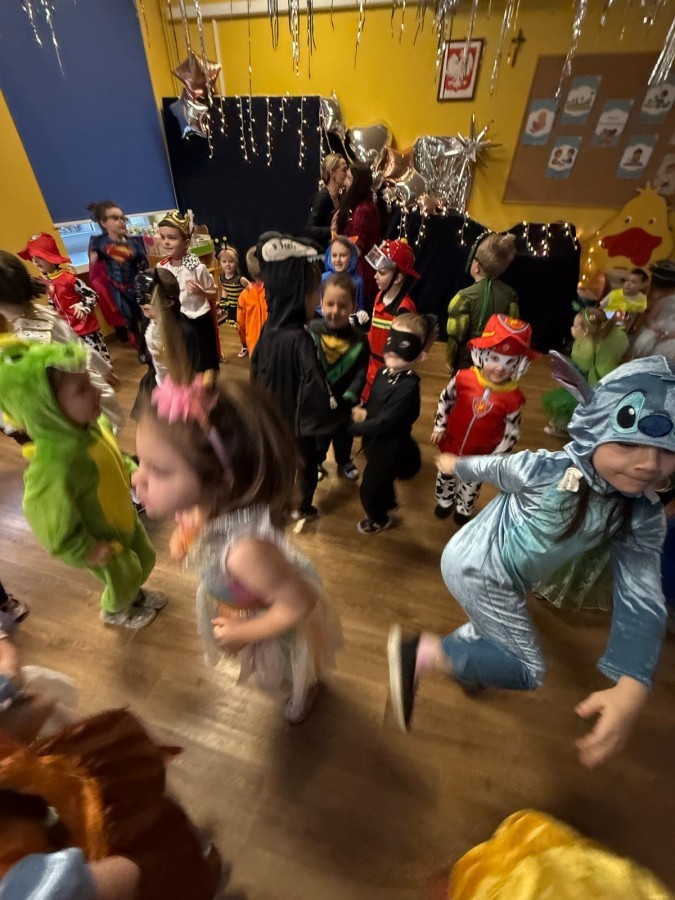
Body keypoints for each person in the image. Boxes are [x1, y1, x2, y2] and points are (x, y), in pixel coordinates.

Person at [388, 354, 675, 769]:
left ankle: (473, 666)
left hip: (509, 575)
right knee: (528, 668)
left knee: (498, 629)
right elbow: (500, 467)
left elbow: (643, 593)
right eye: (628, 443)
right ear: (594, 428)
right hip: (481, 567)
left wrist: (633, 679)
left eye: (666, 450)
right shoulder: (548, 468)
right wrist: (458, 465)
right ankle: (424, 653)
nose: (649, 464)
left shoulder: (642, 515)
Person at [132, 372, 342, 724]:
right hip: (241, 598)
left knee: (285, 671)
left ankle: (303, 688)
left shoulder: (245, 553)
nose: (137, 479)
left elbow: (301, 602)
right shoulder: (203, 504)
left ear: (220, 481)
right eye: (141, 463)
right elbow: (195, 528)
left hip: (271, 615)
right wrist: (185, 537)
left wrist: (244, 632)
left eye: (159, 471)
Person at [0, 338, 166, 629]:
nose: (96, 392)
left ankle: (135, 594)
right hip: (101, 539)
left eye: (90, 382)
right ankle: (115, 610)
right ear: (46, 409)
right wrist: (83, 549)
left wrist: (131, 471)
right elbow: (47, 519)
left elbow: (112, 455)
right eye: (82, 389)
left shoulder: (92, 428)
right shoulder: (54, 465)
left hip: (124, 518)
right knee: (122, 577)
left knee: (144, 558)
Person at [250, 232, 337, 520]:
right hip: (298, 425)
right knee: (306, 463)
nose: (318, 300)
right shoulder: (301, 338)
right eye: (315, 294)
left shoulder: (268, 329)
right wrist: (327, 417)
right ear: (297, 296)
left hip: (271, 418)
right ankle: (303, 506)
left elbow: (255, 368)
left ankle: (275, 499)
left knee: (276, 460)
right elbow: (314, 383)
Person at [0, 250, 123, 434]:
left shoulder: (24, 342)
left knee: (96, 444)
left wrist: (10, 423)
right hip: (89, 390)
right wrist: (105, 370)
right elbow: (80, 346)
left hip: (74, 408)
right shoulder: (42, 312)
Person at [431, 315, 536, 526]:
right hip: (452, 441)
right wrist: (439, 425)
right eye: (494, 358)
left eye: (510, 363)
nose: (500, 368)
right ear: (481, 354)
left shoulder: (514, 398)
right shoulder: (463, 378)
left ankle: (464, 507)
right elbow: (445, 400)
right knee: (446, 473)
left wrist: (496, 457)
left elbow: (512, 432)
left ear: (520, 365)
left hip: (482, 453)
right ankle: (444, 500)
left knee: (471, 482)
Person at [351, 312, 436, 535]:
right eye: (391, 340)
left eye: (404, 344)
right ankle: (388, 501)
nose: (393, 349)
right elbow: (375, 403)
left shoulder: (408, 389)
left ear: (421, 354)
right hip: (374, 441)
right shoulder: (383, 372)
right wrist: (363, 411)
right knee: (383, 481)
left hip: (388, 448)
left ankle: (379, 518)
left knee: (369, 489)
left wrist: (351, 428)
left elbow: (385, 422)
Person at [309, 272, 369, 484]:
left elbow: (361, 371)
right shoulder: (313, 331)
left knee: (345, 436)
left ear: (354, 307)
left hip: (345, 402)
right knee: (320, 437)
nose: (335, 311)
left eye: (343, 306)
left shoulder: (359, 340)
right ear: (321, 304)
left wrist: (351, 394)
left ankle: (344, 461)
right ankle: (317, 461)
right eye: (330, 304)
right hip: (319, 400)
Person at [18, 232, 110, 363]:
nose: (35, 261)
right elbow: (52, 300)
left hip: (85, 328)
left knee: (98, 358)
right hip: (69, 330)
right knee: (82, 360)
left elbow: (92, 295)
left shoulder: (68, 279)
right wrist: (50, 313)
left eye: (39, 257)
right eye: (32, 257)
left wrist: (82, 306)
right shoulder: (45, 280)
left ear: (51, 258)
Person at [543, 306, 629, 437]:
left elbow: (580, 364)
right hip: (609, 376)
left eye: (575, 327)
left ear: (585, 331)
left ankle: (563, 428)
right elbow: (623, 348)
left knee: (572, 403)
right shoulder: (616, 336)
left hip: (589, 379)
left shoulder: (584, 347)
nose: (572, 328)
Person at [156, 210, 220, 372]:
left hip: (198, 320)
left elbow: (214, 293)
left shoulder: (197, 268)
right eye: (163, 237)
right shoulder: (161, 268)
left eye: (172, 238)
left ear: (185, 243)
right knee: (185, 360)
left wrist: (202, 292)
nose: (166, 242)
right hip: (176, 322)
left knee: (205, 359)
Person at [446, 232, 520, 372]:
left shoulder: (463, 297)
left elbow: (455, 335)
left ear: (476, 266)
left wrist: (450, 359)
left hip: (468, 357)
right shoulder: (511, 295)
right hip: (496, 358)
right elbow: (512, 328)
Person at [132, 267, 199, 416]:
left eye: (148, 298)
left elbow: (191, 369)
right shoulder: (148, 321)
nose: (140, 302)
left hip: (178, 391)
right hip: (155, 381)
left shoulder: (184, 332)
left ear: (169, 302)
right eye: (138, 295)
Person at [361, 239, 419, 403]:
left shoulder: (404, 309)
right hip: (371, 366)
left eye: (381, 273)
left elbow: (406, 351)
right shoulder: (379, 296)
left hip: (390, 372)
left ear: (398, 277)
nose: (375, 276)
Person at [87, 200, 147, 352]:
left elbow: (143, 264)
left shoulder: (134, 244)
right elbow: (94, 264)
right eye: (115, 218)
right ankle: (141, 349)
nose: (121, 221)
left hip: (135, 287)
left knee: (145, 317)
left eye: (122, 218)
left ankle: (150, 346)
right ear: (103, 222)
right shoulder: (99, 243)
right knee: (130, 319)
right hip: (118, 289)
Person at [334, 162, 382, 306]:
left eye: (349, 179)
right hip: (368, 271)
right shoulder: (368, 206)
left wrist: (337, 239)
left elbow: (357, 248)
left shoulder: (362, 211)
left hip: (361, 275)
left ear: (358, 184)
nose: (345, 182)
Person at [631, 258, 675, 360]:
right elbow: (650, 317)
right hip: (657, 326)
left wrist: (669, 335)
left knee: (668, 351)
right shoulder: (663, 300)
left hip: (672, 334)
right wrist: (655, 327)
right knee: (644, 342)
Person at [306, 152, 348, 249]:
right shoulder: (322, 198)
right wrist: (330, 230)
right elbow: (309, 229)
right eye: (344, 170)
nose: (347, 174)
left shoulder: (340, 198)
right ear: (332, 173)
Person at [318, 235, 366, 318]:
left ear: (352, 257)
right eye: (334, 255)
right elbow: (317, 305)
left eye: (343, 255)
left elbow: (360, 306)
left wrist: (361, 314)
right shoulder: (324, 278)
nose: (337, 260)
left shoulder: (357, 281)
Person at [236, 245, 268, 358]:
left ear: (249, 271)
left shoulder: (244, 296)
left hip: (253, 345)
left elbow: (240, 323)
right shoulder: (276, 293)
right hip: (273, 344)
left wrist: (244, 342)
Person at [217, 244, 246, 343]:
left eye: (231, 261)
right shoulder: (221, 278)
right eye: (224, 261)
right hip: (232, 308)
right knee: (237, 327)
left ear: (236, 262)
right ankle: (244, 344)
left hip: (242, 308)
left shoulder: (240, 279)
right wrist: (223, 306)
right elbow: (225, 290)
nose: (227, 264)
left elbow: (251, 289)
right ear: (220, 263)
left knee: (244, 327)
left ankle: (247, 344)